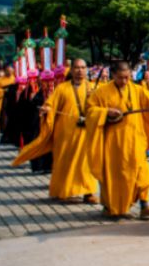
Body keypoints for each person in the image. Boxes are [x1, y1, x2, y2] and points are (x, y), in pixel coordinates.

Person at [12, 59, 98, 202]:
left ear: (87, 69)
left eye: (83, 68)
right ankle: (65, 192)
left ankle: (88, 192)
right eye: (77, 68)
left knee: (86, 162)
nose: (80, 71)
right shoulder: (62, 88)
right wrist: (47, 109)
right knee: (65, 162)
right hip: (65, 133)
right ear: (71, 70)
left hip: (86, 132)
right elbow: (51, 103)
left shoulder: (93, 88)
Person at [86, 61, 149, 220]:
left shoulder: (137, 89)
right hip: (114, 144)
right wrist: (106, 112)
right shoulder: (102, 92)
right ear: (113, 75)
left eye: (127, 77)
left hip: (136, 140)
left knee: (143, 175)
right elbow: (91, 111)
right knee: (116, 178)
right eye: (121, 78)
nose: (125, 81)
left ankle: (145, 206)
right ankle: (112, 207)